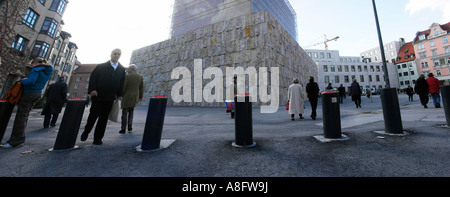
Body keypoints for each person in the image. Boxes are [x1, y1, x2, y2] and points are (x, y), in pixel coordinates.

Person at [1, 58, 53, 148]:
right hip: (37, 93)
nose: (32, 65)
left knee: (20, 117)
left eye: (32, 63)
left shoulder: (36, 70)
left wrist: (22, 80)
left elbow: (30, 81)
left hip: (28, 93)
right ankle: (19, 138)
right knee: (25, 115)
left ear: (37, 63)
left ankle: (15, 141)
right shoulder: (46, 70)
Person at [80, 49, 126, 145]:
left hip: (110, 98)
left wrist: (120, 94)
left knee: (103, 118)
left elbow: (122, 82)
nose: (116, 55)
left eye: (118, 54)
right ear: (111, 55)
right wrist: (92, 90)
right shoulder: (101, 66)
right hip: (98, 96)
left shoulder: (121, 69)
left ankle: (98, 138)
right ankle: (86, 131)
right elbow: (93, 78)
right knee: (93, 115)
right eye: (115, 54)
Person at [120, 65, 144, 133]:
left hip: (127, 96)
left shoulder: (127, 76)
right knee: (131, 111)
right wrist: (140, 97)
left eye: (128, 68)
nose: (127, 69)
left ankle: (123, 128)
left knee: (124, 112)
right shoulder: (140, 77)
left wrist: (120, 94)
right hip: (135, 97)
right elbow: (141, 88)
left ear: (131, 69)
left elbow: (124, 86)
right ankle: (130, 125)